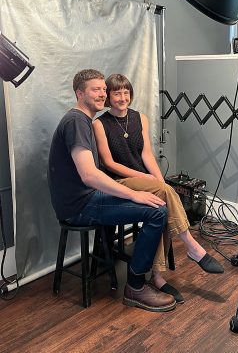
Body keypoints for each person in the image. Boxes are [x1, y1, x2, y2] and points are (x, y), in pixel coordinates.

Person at [48, 69, 175, 312]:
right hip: (80, 205)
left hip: (84, 199)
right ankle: (136, 287)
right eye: (96, 89)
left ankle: (145, 276)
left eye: (103, 89)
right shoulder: (77, 121)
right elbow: (89, 174)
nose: (102, 94)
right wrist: (133, 194)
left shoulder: (82, 120)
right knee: (156, 212)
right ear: (79, 93)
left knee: (155, 203)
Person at [92, 73, 224, 304]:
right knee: (164, 194)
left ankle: (157, 275)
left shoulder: (139, 118)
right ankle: (191, 245)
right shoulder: (99, 124)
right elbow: (107, 163)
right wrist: (143, 176)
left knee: (163, 203)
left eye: (126, 92)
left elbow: (146, 154)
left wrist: (157, 179)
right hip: (119, 182)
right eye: (116, 93)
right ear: (108, 97)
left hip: (143, 178)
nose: (122, 98)